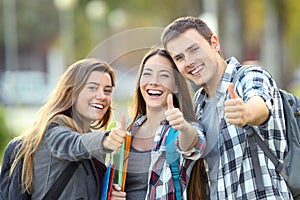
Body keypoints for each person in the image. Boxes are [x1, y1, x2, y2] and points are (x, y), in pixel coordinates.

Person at [161, 16, 293, 199]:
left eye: (194, 49)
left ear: (214, 43)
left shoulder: (248, 76)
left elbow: (260, 104)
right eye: (180, 58)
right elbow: (195, 148)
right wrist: (183, 128)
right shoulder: (199, 104)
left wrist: (246, 113)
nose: (189, 61)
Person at [2, 58, 127, 199]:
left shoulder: (92, 144)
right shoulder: (52, 133)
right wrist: (105, 141)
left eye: (107, 90)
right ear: (71, 92)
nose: (102, 96)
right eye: (92, 87)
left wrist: (107, 195)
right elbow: (74, 144)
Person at [111, 48, 207, 200]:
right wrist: (113, 194)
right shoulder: (127, 131)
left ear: (176, 85)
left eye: (163, 75)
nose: (154, 81)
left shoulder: (182, 128)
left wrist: (182, 126)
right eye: (147, 74)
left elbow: (195, 144)